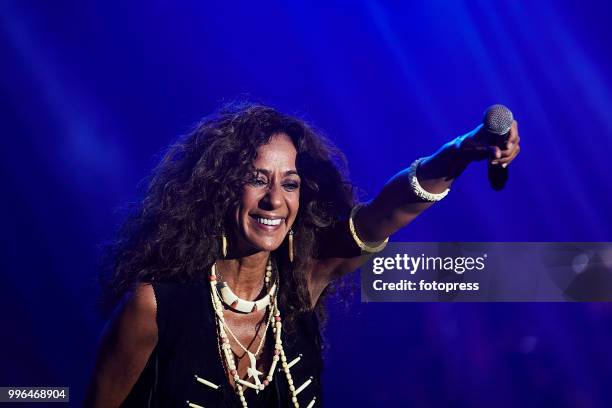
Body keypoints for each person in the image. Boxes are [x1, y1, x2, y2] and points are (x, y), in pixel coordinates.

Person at [84, 102, 520, 407]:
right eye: (258, 179)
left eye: (289, 183)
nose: (275, 200)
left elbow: (388, 211)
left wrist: (462, 150)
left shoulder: (299, 288)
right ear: (220, 189)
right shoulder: (156, 307)